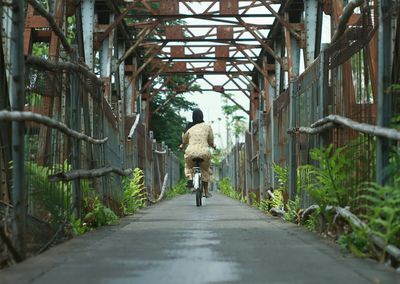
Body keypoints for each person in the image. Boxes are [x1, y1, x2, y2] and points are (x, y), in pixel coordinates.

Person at [181, 109, 215, 198]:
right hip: (204, 153)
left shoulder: (188, 126)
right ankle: (206, 193)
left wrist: (182, 145)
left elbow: (184, 140)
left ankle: (190, 178)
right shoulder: (207, 126)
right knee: (206, 169)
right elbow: (211, 140)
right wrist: (213, 145)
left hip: (191, 152)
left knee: (188, 166)